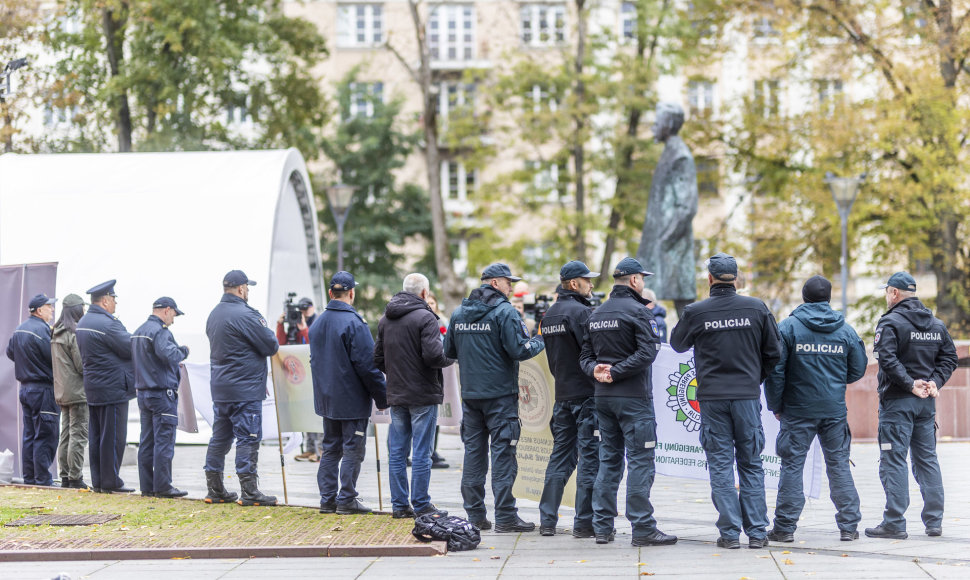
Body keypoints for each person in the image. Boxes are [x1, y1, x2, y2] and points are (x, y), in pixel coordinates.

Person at [670, 253, 781, 549]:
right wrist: (754, 378)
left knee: (720, 465)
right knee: (751, 464)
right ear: (737, 278)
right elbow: (775, 353)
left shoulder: (697, 311)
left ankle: (730, 534)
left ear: (709, 279)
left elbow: (677, 344)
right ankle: (757, 533)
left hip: (712, 399)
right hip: (746, 397)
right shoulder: (757, 308)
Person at [579, 257, 676, 547]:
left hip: (603, 398)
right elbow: (648, 353)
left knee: (609, 461)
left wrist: (597, 371)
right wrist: (617, 372)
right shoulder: (639, 311)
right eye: (642, 279)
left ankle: (602, 527)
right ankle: (643, 528)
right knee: (640, 461)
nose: (643, 283)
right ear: (634, 281)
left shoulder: (595, 314)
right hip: (633, 398)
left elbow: (584, 356)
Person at [764, 276, 868, 543]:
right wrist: (833, 382)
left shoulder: (788, 327)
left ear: (804, 297)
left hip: (797, 410)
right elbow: (857, 369)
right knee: (838, 466)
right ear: (829, 298)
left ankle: (785, 528)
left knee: (792, 466)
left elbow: (776, 371)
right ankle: (849, 527)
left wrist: (776, 405)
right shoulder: (845, 329)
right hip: (833, 410)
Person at [444, 263, 545, 533]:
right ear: (495, 283)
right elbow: (520, 350)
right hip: (500, 398)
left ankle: (475, 516)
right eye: (508, 282)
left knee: (474, 457)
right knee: (503, 457)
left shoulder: (459, 313)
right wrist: (539, 339)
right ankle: (505, 516)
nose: (511, 287)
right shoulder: (505, 312)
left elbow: (448, 351)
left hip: (471, 397)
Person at [864, 272, 957, 540]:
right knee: (927, 459)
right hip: (925, 405)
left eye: (887, 291)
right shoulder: (936, 324)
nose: (886, 296)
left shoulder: (890, 322)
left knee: (893, 459)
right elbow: (949, 357)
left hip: (898, 403)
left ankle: (894, 522)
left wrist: (909, 384)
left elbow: (887, 360)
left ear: (894, 293)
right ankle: (934, 521)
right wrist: (934, 382)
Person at [374, 273, 455, 518]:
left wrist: (398, 374)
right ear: (423, 293)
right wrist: (451, 355)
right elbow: (434, 356)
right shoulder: (426, 318)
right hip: (423, 393)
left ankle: (399, 506)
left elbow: (377, 359)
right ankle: (421, 504)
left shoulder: (385, 319)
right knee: (422, 452)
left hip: (397, 393)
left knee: (397, 452)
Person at [310, 271, 388, 515]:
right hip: (351, 399)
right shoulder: (355, 323)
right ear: (352, 293)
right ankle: (346, 499)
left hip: (327, 398)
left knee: (331, 448)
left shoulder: (318, 322)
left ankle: (327, 500)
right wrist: (383, 396)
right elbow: (368, 366)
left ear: (331, 293)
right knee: (353, 448)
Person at [204, 270, 280, 506]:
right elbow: (271, 345)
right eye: (247, 287)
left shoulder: (214, 314)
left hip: (221, 389)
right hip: (245, 390)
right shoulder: (246, 315)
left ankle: (214, 490)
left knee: (220, 438)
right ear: (241, 288)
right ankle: (250, 492)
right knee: (248, 438)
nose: (248, 291)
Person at [537, 261, 601, 538]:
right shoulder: (582, 313)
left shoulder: (549, 315)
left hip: (562, 394)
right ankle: (583, 523)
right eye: (587, 280)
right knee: (589, 458)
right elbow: (594, 352)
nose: (591, 285)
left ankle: (547, 520)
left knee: (560, 457)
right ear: (574, 284)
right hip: (586, 395)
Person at [76, 280, 135, 493]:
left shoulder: (84, 321)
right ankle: (112, 481)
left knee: (97, 436)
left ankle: (100, 480)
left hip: (93, 387)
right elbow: (130, 348)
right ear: (106, 300)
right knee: (114, 437)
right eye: (114, 299)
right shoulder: (109, 324)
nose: (116, 304)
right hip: (113, 388)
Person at [132, 297, 190, 498]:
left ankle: (147, 486)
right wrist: (184, 350)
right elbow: (170, 355)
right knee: (164, 440)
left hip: (143, 393)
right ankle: (163, 486)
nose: (173, 319)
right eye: (174, 314)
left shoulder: (139, 331)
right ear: (167, 310)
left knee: (146, 441)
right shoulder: (161, 332)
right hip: (161, 394)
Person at [6, 293, 59, 486]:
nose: (52, 310)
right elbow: (53, 358)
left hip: (26, 389)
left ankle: (29, 477)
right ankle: (43, 478)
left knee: (29, 434)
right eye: (48, 306)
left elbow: (10, 352)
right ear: (39, 310)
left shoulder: (20, 329)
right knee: (45, 433)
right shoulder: (43, 331)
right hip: (44, 389)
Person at [276, 297, 323, 463]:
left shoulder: (317, 322)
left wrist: (304, 328)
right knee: (304, 411)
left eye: (305, 310)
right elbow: (280, 346)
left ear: (312, 308)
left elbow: (314, 345)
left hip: (314, 374)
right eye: (299, 311)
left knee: (315, 412)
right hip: (298, 376)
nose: (302, 314)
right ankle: (310, 449)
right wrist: (280, 325)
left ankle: (320, 449)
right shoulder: (292, 326)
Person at [52, 294, 89, 489]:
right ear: (77, 310)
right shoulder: (73, 334)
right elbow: (82, 366)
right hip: (77, 392)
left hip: (62, 391)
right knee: (78, 433)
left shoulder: (56, 332)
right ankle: (76, 477)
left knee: (65, 434)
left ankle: (65, 476)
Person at [425, 293, 450, 470]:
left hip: (442, 374)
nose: (430, 305)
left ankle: (432, 451)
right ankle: (426, 454)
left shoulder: (442, 322)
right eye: (428, 302)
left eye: (433, 302)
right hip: (429, 374)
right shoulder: (423, 321)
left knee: (437, 416)